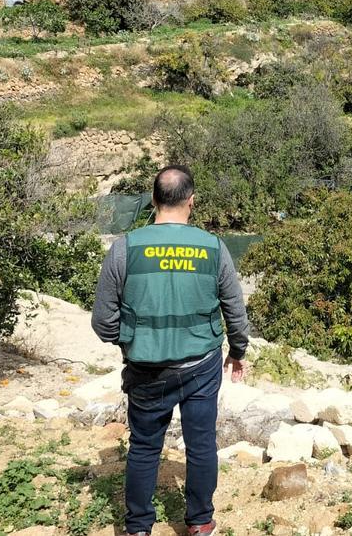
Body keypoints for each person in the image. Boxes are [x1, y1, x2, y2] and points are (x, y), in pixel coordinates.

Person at [91, 165, 250, 536]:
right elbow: (234, 310)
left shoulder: (124, 248)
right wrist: (237, 350)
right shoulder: (213, 247)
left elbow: (102, 322)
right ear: (191, 202)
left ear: (153, 200)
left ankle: (138, 528)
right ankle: (200, 523)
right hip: (201, 365)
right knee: (200, 444)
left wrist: (132, 341)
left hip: (145, 370)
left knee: (145, 448)